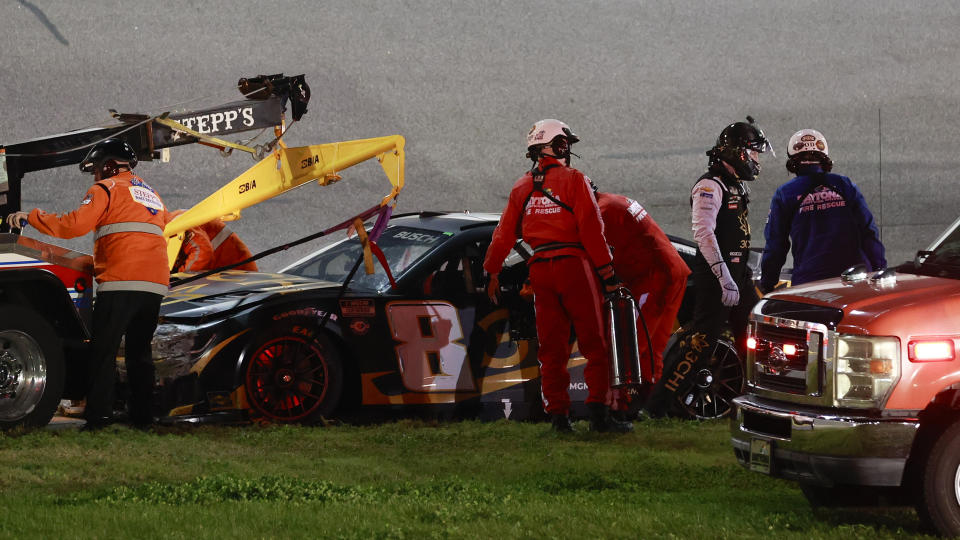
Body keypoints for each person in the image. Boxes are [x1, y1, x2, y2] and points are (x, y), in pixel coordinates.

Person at [6, 138, 168, 429]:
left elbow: (73, 225)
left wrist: (30, 217)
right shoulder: (152, 195)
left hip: (122, 281)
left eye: (95, 170)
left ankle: (99, 418)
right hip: (154, 284)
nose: (94, 176)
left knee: (103, 351)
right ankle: (144, 419)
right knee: (139, 353)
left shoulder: (105, 188)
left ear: (108, 166)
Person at [484, 119, 631, 433]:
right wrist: (608, 273)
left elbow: (503, 235)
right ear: (560, 146)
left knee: (551, 348)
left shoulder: (521, 186)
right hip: (574, 266)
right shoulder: (575, 180)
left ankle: (559, 418)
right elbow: (593, 232)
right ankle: (599, 415)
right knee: (595, 343)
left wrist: (492, 271)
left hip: (539, 271)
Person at [642, 118, 772, 418]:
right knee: (701, 344)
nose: (755, 160)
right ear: (738, 153)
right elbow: (703, 233)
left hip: (738, 277)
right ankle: (657, 407)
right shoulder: (708, 186)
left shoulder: (734, 185)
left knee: (752, 338)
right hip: (717, 279)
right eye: (753, 154)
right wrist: (724, 276)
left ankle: (759, 404)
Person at [759, 129, 885, 292]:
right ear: (824, 157)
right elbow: (869, 231)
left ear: (793, 161)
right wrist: (879, 269)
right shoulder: (844, 185)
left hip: (811, 282)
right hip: (856, 279)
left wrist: (768, 283)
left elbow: (776, 244)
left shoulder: (785, 193)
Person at [592, 185, 691, 388]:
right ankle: (645, 400)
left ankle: (624, 402)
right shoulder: (613, 201)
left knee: (630, 345)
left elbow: (595, 255)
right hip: (671, 272)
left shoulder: (603, 211)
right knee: (650, 347)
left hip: (654, 278)